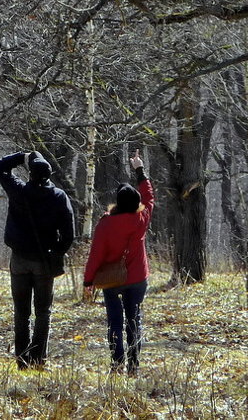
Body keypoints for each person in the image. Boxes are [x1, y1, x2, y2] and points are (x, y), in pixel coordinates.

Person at [0, 150, 76, 369]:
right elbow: (69, 234)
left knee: (21, 313)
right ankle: (38, 359)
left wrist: (22, 156)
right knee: (43, 312)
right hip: (44, 261)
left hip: (19, 259)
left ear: (30, 174)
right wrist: (56, 252)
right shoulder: (58, 196)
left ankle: (22, 360)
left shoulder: (18, 191)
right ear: (49, 176)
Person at [83, 150, 154, 375]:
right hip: (137, 278)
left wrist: (88, 281)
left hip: (112, 280)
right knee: (134, 321)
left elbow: (95, 255)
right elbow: (149, 196)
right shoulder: (142, 218)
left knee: (114, 321)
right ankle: (134, 365)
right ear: (136, 203)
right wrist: (139, 170)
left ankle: (117, 364)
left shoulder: (105, 225)